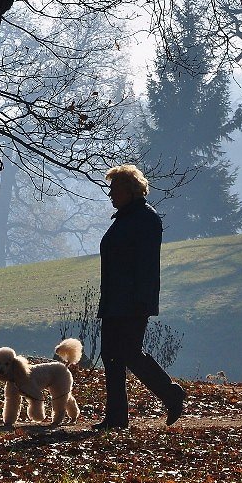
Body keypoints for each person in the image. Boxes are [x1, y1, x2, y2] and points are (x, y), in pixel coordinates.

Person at [93, 164, 186, 431]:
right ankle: (116, 417)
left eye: (114, 189)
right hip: (115, 300)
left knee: (129, 353)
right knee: (111, 355)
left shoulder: (145, 219)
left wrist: (141, 301)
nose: (110, 194)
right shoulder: (126, 217)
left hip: (132, 301)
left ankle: (170, 393)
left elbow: (146, 265)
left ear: (129, 190)